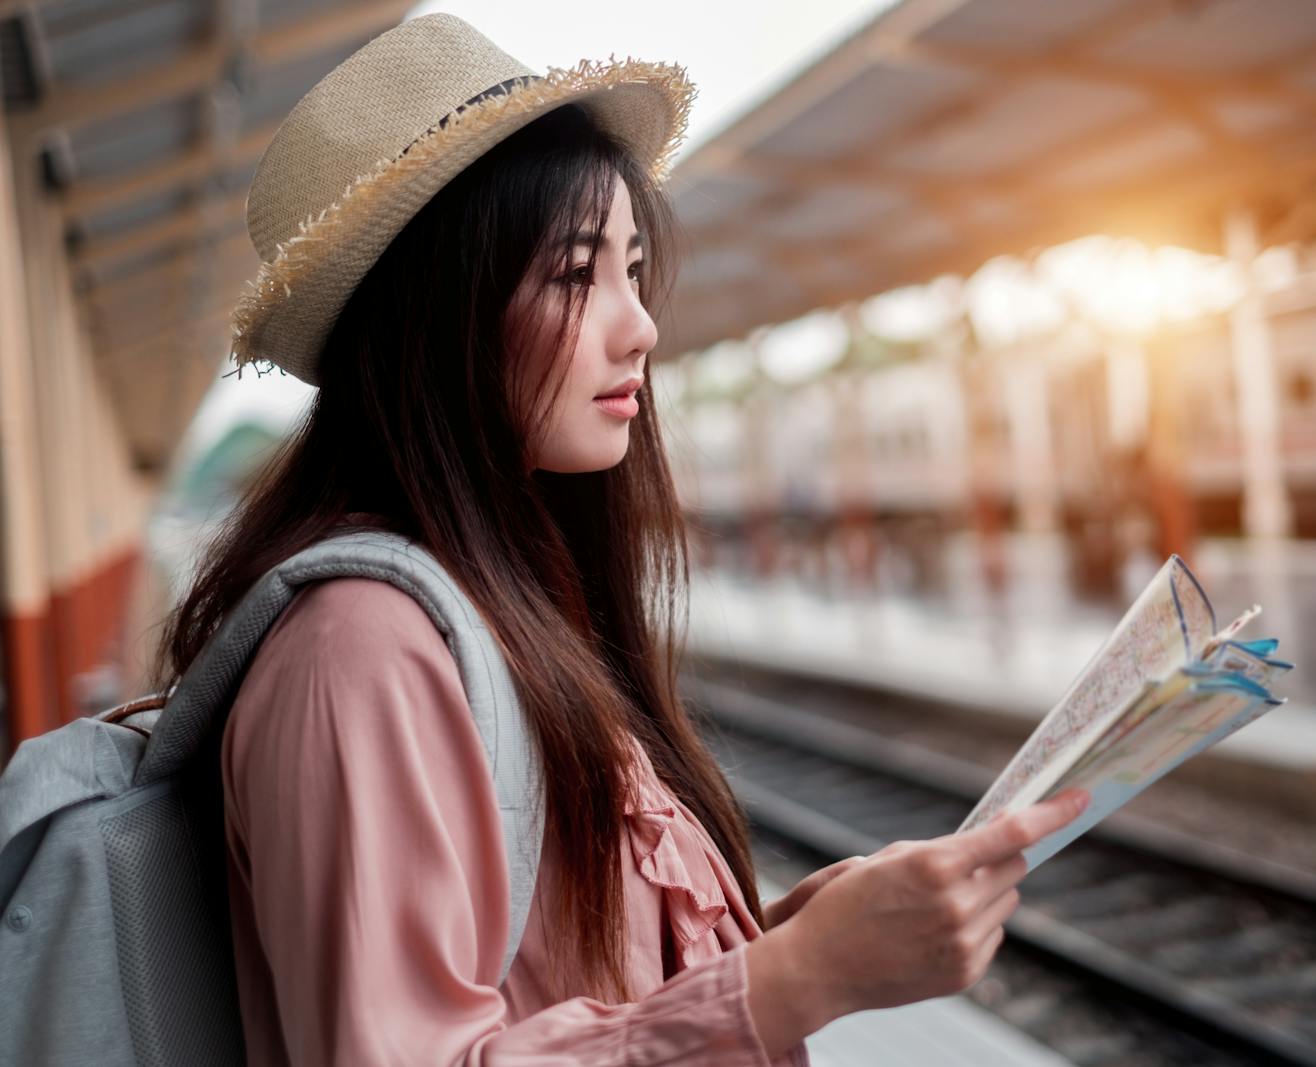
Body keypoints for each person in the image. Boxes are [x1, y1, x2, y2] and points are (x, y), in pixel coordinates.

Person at [155, 14, 1090, 1065]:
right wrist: (797, 979)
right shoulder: (360, 648)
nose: (638, 322)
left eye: (633, 270)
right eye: (573, 275)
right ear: (436, 316)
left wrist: (775, 941)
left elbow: (544, 983)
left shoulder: (496, 600)